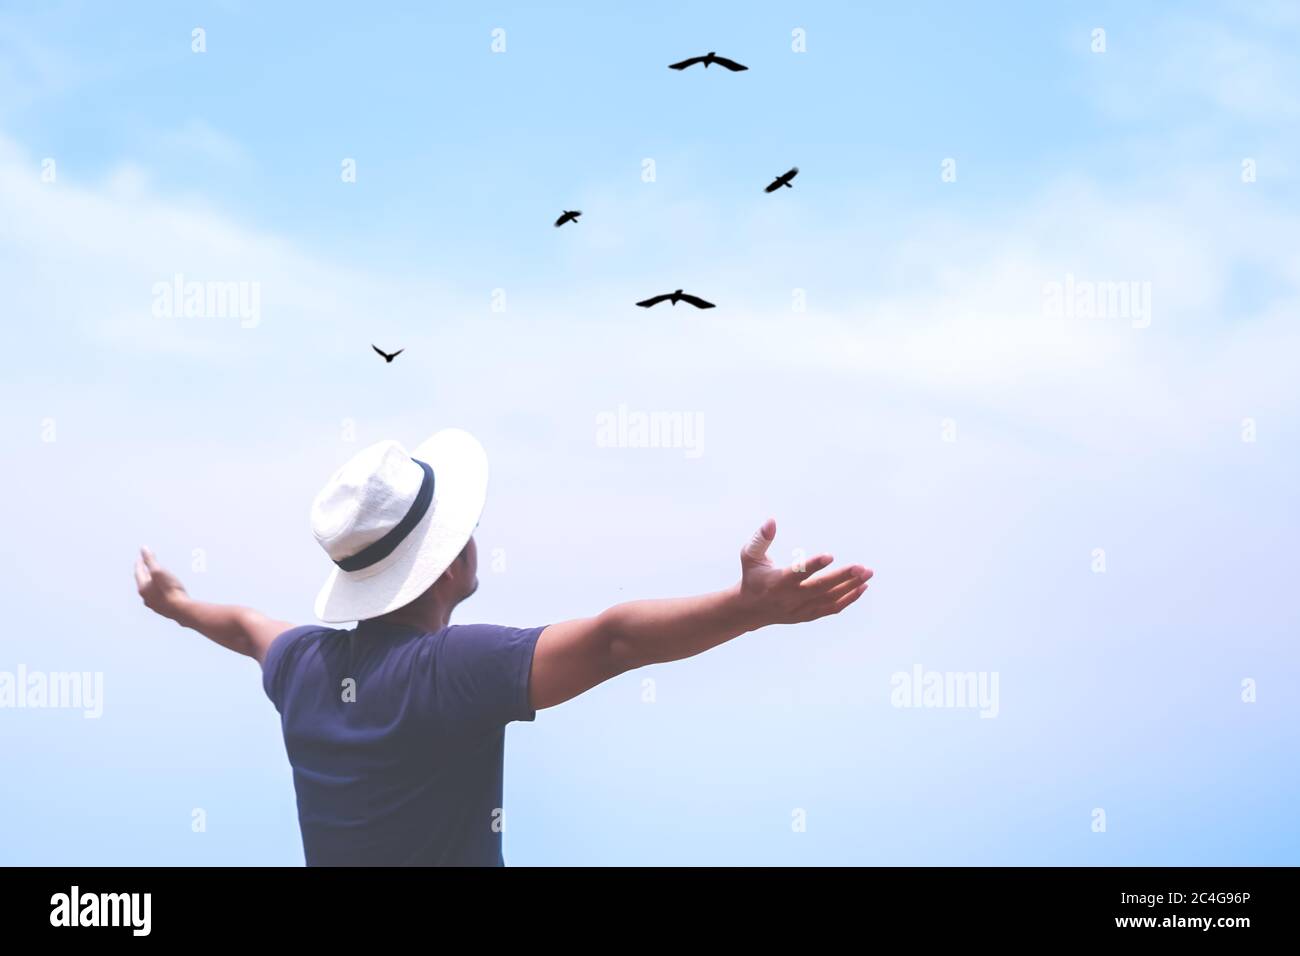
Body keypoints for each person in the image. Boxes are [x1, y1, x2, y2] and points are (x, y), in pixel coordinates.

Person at [133, 428, 872, 865]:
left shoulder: (301, 666)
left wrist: (178, 605)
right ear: (450, 562)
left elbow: (243, 626)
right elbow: (613, 642)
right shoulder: (450, 672)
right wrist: (749, 610)